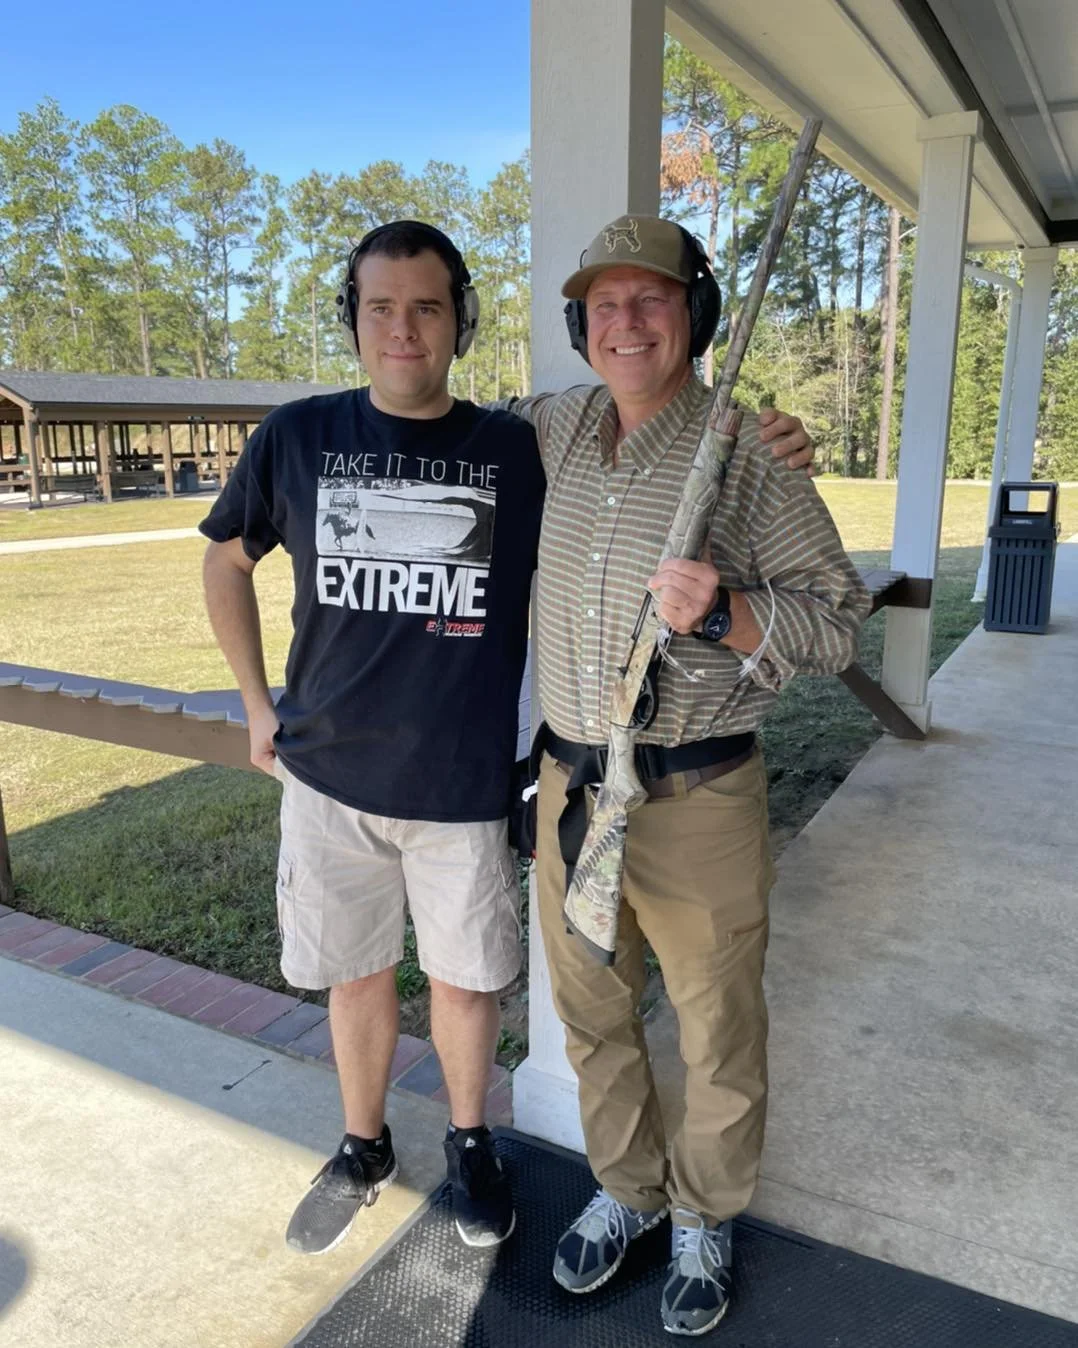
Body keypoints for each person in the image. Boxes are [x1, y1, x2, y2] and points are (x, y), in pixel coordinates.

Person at [200, 217, 815, 1262]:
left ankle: (472, 1142)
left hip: (465, 783)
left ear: (460, 321)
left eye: (427, 307)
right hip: (327, 778)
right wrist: (257, 705)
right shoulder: (294, 436)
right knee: (353, 975)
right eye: (380, 307)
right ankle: (361, 1146)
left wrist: (763, 435)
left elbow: (657, 428)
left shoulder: (517, 442)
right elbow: (224, 559)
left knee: (466, 979)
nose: (403, 329)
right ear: (351, 319)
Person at [501, 215, 871, 1336]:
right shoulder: (549, 430)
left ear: (694, 315)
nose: (625, 322)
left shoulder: (750, 455)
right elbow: (437, 430)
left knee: (716, 1024)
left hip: (699, 794)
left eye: (650, 299)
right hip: (572, 788)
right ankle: (628, 1190)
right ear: (578, 323)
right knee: (590, 1011)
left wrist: (724, 608)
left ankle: (705, 1214)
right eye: (603, 303)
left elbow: (839, 624)